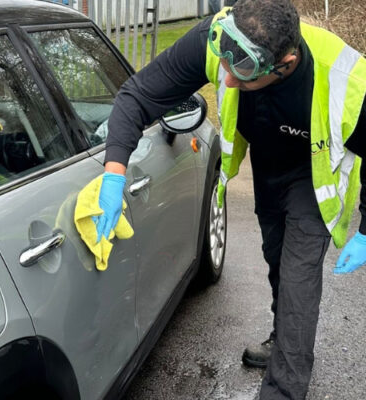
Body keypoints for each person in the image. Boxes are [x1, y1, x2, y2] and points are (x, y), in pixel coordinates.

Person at [93, 0, 366, 398]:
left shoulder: (348, 81)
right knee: (275, 259)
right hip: (269, 169)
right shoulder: (219, 37)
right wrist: (114, 174)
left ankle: (285, 387)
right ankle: (282, 338)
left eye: (243, 73)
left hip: (313, 177)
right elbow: (137, 95)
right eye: (224, 62)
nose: (228, 81)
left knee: (298, 281)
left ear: (285, 62)